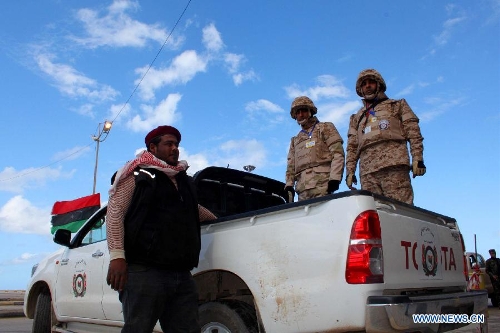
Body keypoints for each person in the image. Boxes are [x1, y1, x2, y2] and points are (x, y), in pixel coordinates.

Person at [106, 125, 216, 333]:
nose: (175, 148)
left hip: (182, 275)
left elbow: (194, 210)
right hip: (144, 273)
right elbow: (115, 211)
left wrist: (224, 220)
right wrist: (117, 256)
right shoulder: (137, 175)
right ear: (153, 148)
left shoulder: (182, 180)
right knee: (138, 329)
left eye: (176, 144)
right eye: (169, 144)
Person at [345, 69, 426, 205]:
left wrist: (418, 158)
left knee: (401, 209)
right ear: (360, 89)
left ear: (379, 85)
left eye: (371, 82)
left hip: (393, 165)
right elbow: (352, 147)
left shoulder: (397, 105)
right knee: (376, 216)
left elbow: (413, 132)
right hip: (368, 172)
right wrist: (350, 172)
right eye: (364, 84)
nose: (368, 86)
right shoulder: (356, 118)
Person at [285, 96, 345, 201]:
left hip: (323, 187)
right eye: (297, 112)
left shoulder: (325, 128)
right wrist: (289, 185)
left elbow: (338, 154)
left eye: (303, 110)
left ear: (310, 111)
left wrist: (335, 179)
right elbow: (291, 166)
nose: (300, 114)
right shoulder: (295, 140)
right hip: (302, 191)